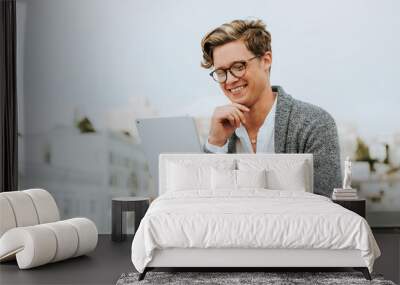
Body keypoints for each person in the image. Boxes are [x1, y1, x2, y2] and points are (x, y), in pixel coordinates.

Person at [201, 19, 341, 197]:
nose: (229, 80)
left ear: (266, 60)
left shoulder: (314, 124)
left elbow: (327, 208)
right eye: (221, 72)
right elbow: (203, 205)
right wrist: (215, 143)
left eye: (238, 67)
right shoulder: (220, 131)